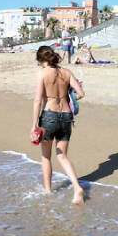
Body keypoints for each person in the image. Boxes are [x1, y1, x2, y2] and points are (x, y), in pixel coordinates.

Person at [31, 46, 86, 205]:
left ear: (42, 60)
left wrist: (34, 124)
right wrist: (69, 96)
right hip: (67, 117)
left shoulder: (42, 73)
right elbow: (81, 94)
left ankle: (48, 192)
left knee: (46, 156)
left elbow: (37, 100)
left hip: (49, 116)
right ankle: (76, 187)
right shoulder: (67, 72)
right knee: (62, 155)